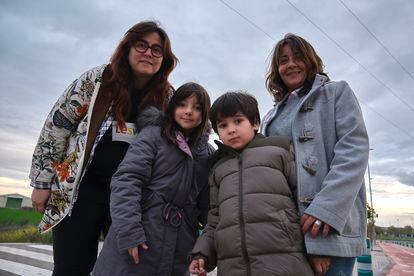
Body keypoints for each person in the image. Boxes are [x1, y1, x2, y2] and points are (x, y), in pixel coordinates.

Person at [29, 20, 178, 275]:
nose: (148, 53)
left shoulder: (168, 98)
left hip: (130, 198)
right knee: (70, 267)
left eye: (156, 50)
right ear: (127, 48)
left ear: (163, 60)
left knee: (125, 268)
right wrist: (42, 183)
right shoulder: (96, 81)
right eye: (142, 45)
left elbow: (177, 145)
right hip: (80, 190)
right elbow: (57, 127)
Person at [261, 33, 369, 275]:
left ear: (311, 60)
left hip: (327, 227)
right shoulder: (270, 115)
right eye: (283, 60)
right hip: (286, 229)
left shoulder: (336, 92)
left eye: (297, 57)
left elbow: (354, 150)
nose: (290, 64)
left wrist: (325, 210)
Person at [92, 82, 212, 276]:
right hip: (140, 237)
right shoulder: (153, 136)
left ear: (205, 114)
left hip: (179, 248)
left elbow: (208, 208)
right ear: (172, 107)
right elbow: (126, 181)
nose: (189, 111)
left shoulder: (206, 154)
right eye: (182, 105)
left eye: (197, 108)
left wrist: (205, 251)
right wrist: (130, 232)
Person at [189, 92, 313, 276]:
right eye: (223, 125)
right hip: (233, 267)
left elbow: (305, 201)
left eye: (238, 121)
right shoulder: (217, 167)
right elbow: (214, 218)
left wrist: (319, 249)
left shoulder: (279, 150)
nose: (231, 130)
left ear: (255, 123)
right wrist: (202, 253)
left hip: (286, 263)